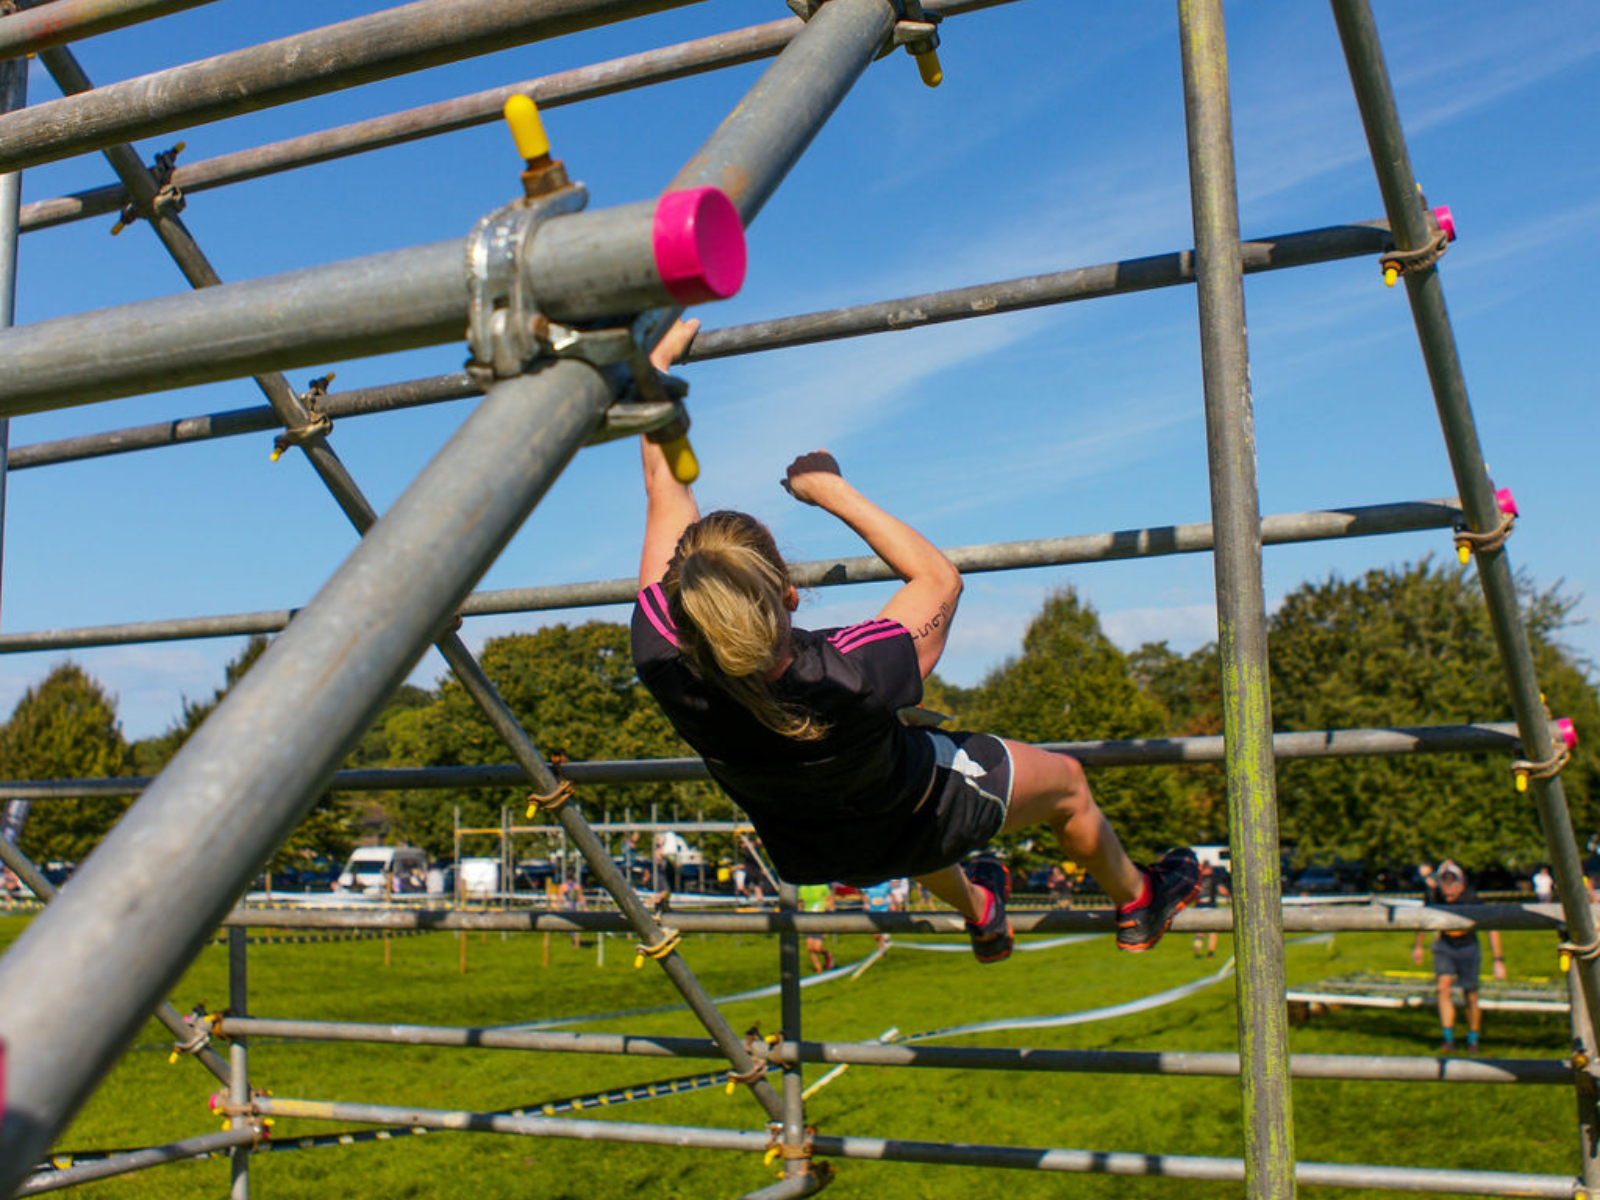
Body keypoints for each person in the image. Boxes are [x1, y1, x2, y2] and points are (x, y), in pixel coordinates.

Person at [628, 319, 1199, 964]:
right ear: (789, 593)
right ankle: (1138, 898)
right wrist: (829, 490)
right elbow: (939, 580)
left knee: (886, 788)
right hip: (910, 820)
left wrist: (654, 373)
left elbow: (663, 489)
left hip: (811, 850)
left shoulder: (659, 654)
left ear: (681, 601)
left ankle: (982, 911)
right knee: (1064, 783)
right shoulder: (852, 670)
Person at [1411, 862, 1506, 1053]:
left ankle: (1473, 1039)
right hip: (1445, 946)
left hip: (1468, 947)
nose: (1448, 895)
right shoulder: (1436, 896)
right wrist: (1418, 946)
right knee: (1443, 988)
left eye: (1451, 890)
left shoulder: (1471, 900)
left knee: (1470, 995)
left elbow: (1491, 927)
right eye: (1444, 889)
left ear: (1460, 885)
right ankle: (1448, 1039)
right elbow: (1425, 920)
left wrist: (1498, 960)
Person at [797, 881, 835, 972]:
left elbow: (830, 899)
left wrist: (826, 911)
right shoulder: (802, 888)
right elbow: (799, 902)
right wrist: (800, 912)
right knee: (810, 947)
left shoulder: (822, 886)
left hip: (820, 919)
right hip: (808, 919)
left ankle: (827, 954)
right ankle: (818, 968)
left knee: (817, 948)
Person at [861, 878, 895, 949]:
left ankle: (881, 948)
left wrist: (892, 904)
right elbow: (864, 894)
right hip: (872, 909)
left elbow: (890, 894)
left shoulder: (885, 884)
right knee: (876, 934)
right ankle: (882, 940)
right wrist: (865, 904)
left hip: (884, 909)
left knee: (881, 929)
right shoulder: (868, 884)